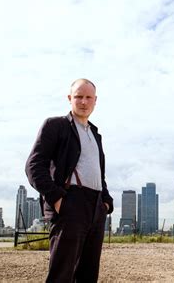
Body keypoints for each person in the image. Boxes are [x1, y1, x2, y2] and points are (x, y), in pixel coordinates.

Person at [25, 78, 114, 282]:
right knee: (61, 274)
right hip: (70, 202)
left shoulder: (95, 133)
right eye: (78, 97)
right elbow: (34, 166)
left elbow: (99, 173)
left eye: (88, 97)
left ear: (95, 100)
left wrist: (106, 203)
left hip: (96, 206)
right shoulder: (55, 125)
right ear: (69, 98)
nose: (83, 102)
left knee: (88, 273)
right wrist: (57, 198)